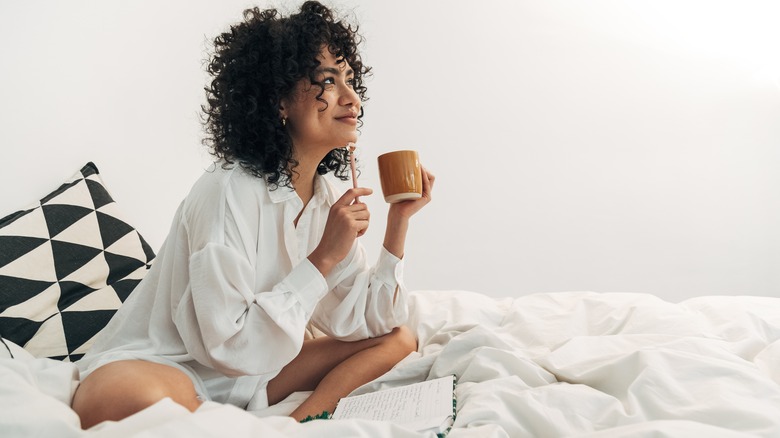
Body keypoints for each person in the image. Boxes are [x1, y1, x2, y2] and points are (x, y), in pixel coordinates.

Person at [72, 1, 434, 429]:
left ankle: (296, 424)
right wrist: (323, 258)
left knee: (398, 338)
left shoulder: (328, 199)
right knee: (118, 399)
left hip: (255, 376)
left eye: (349, 80)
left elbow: (365, 320)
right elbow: (226, 345)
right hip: (172, 366)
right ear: (279, 101)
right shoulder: (228, 189)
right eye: (328, 81)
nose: (351, 98)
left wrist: (399, 221)